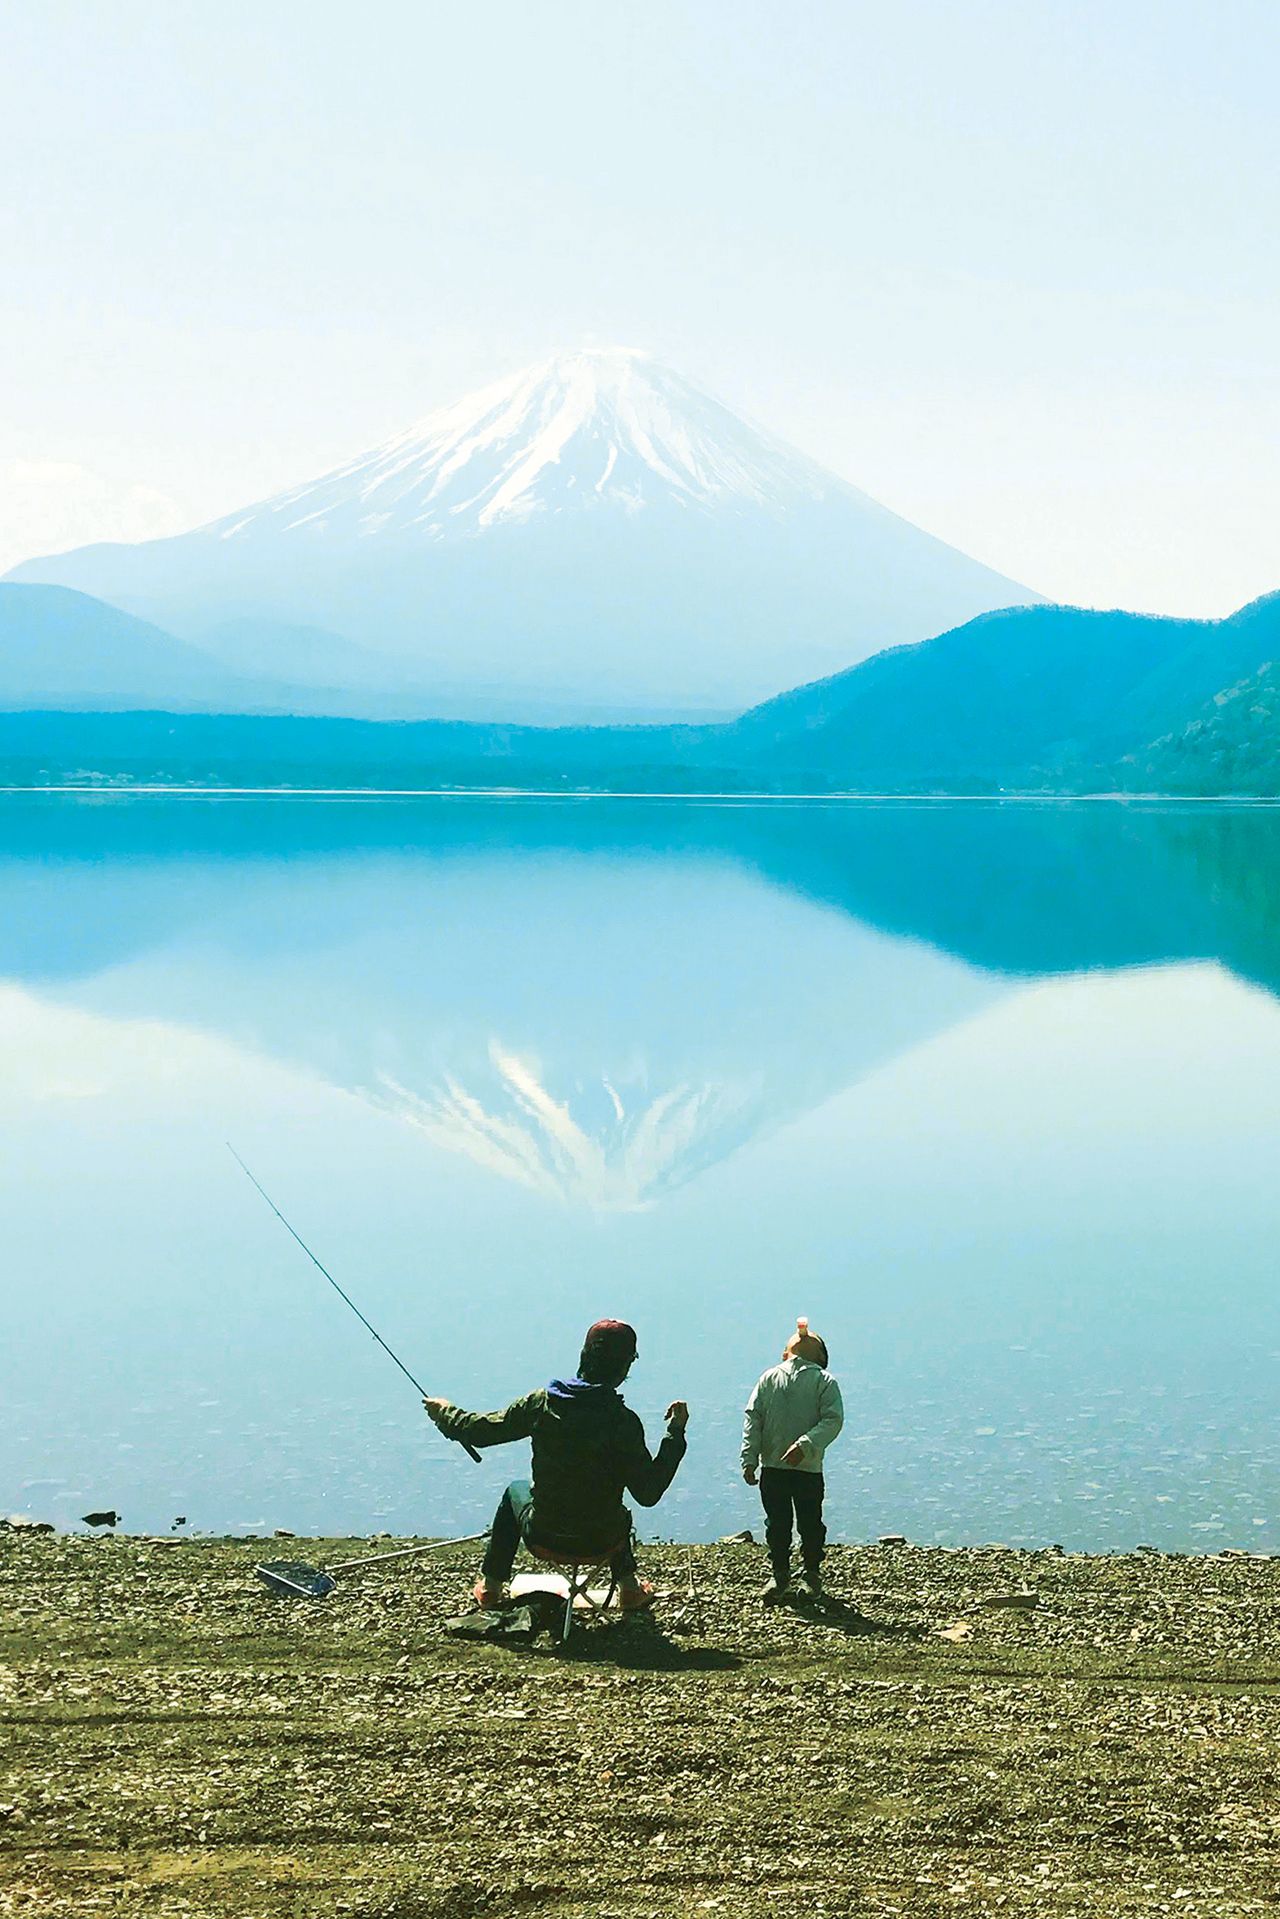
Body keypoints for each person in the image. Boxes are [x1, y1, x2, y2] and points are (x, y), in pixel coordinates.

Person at [423, 1318, 688, 1610]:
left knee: (516, 1490)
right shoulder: (623, 1422)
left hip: (544, 1534)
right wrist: (674, 1434)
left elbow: (482, 1432)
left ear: (583, 1355)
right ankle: (629, 1589)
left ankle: (491, 1587)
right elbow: (648, 1493)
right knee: (615, 1509)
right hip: (601, 1540)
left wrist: (445, 1413)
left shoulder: (541, 1404)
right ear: (624, 1367)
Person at [741, 1317, 844, 1603]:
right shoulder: (775, 1378)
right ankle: (786, 1573)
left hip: (795, 1468)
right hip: (791, 1468)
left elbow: (754, 1418)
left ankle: (804, 1573)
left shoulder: (819, 1380)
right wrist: (750, 1457)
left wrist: (803, 1444)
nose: (804, 1334)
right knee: (787, 1523)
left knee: (798, 1522)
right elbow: (755, 1417)